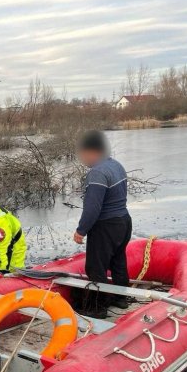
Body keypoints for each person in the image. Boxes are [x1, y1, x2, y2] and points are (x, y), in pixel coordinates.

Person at [73, 130, 131, 317]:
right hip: (123, 221)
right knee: (118, 261)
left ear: (92, 151)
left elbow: (93, 208)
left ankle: (97, 309)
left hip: (105, 225)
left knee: (95, 267)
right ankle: (120, 299)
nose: (82, 158)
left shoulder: (97, 173)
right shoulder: (116, 165)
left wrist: (81, 231)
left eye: (83, 154)